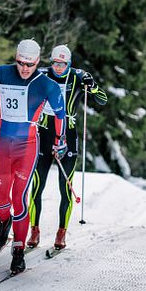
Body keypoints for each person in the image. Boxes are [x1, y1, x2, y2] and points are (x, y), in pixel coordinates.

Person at [0, 39, 67, 274]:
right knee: (1, 197)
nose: (25, 68)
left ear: (37, 62)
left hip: (28, 147)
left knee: (19, 199)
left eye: (30, 64)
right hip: (3, 146)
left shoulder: (46, 85)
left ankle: (17, 250)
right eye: (21, 63)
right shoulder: (1, 74)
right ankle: (4, 221)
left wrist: (59, 141)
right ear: (16, 59)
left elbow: (60, 114)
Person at [27, 44, 108, 250]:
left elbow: (103, 99)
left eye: (62, 64)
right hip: (44, 133)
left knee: (66, 187)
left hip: (68, 135)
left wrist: (93, 85)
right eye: (55, 63)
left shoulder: (78, 77)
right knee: (37, 185)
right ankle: (34, 230)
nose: (58, 67)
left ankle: (61, 232)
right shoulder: (42, 74)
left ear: (69, 63)